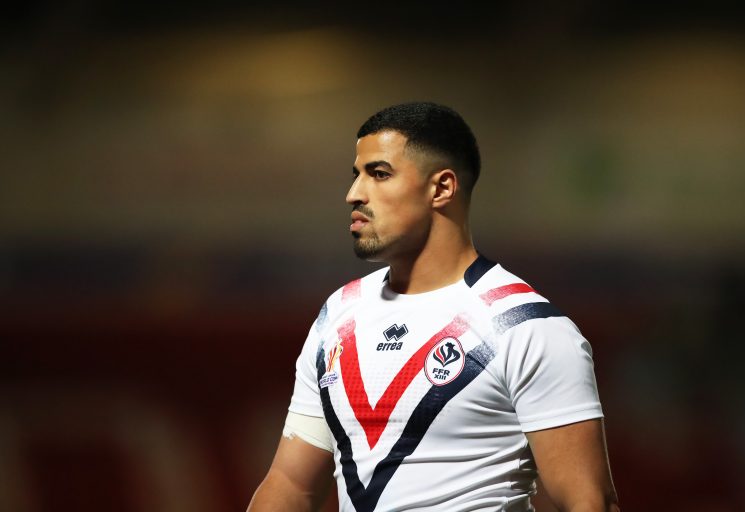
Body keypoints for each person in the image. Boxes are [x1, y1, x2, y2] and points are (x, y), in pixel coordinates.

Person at [247, 102, 619, 511]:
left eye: (379, 174)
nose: (354, 194)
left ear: (441, 188)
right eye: (357, 175)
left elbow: (589, 502)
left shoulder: (526, 327)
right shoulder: (338, 316)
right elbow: (290, 486)